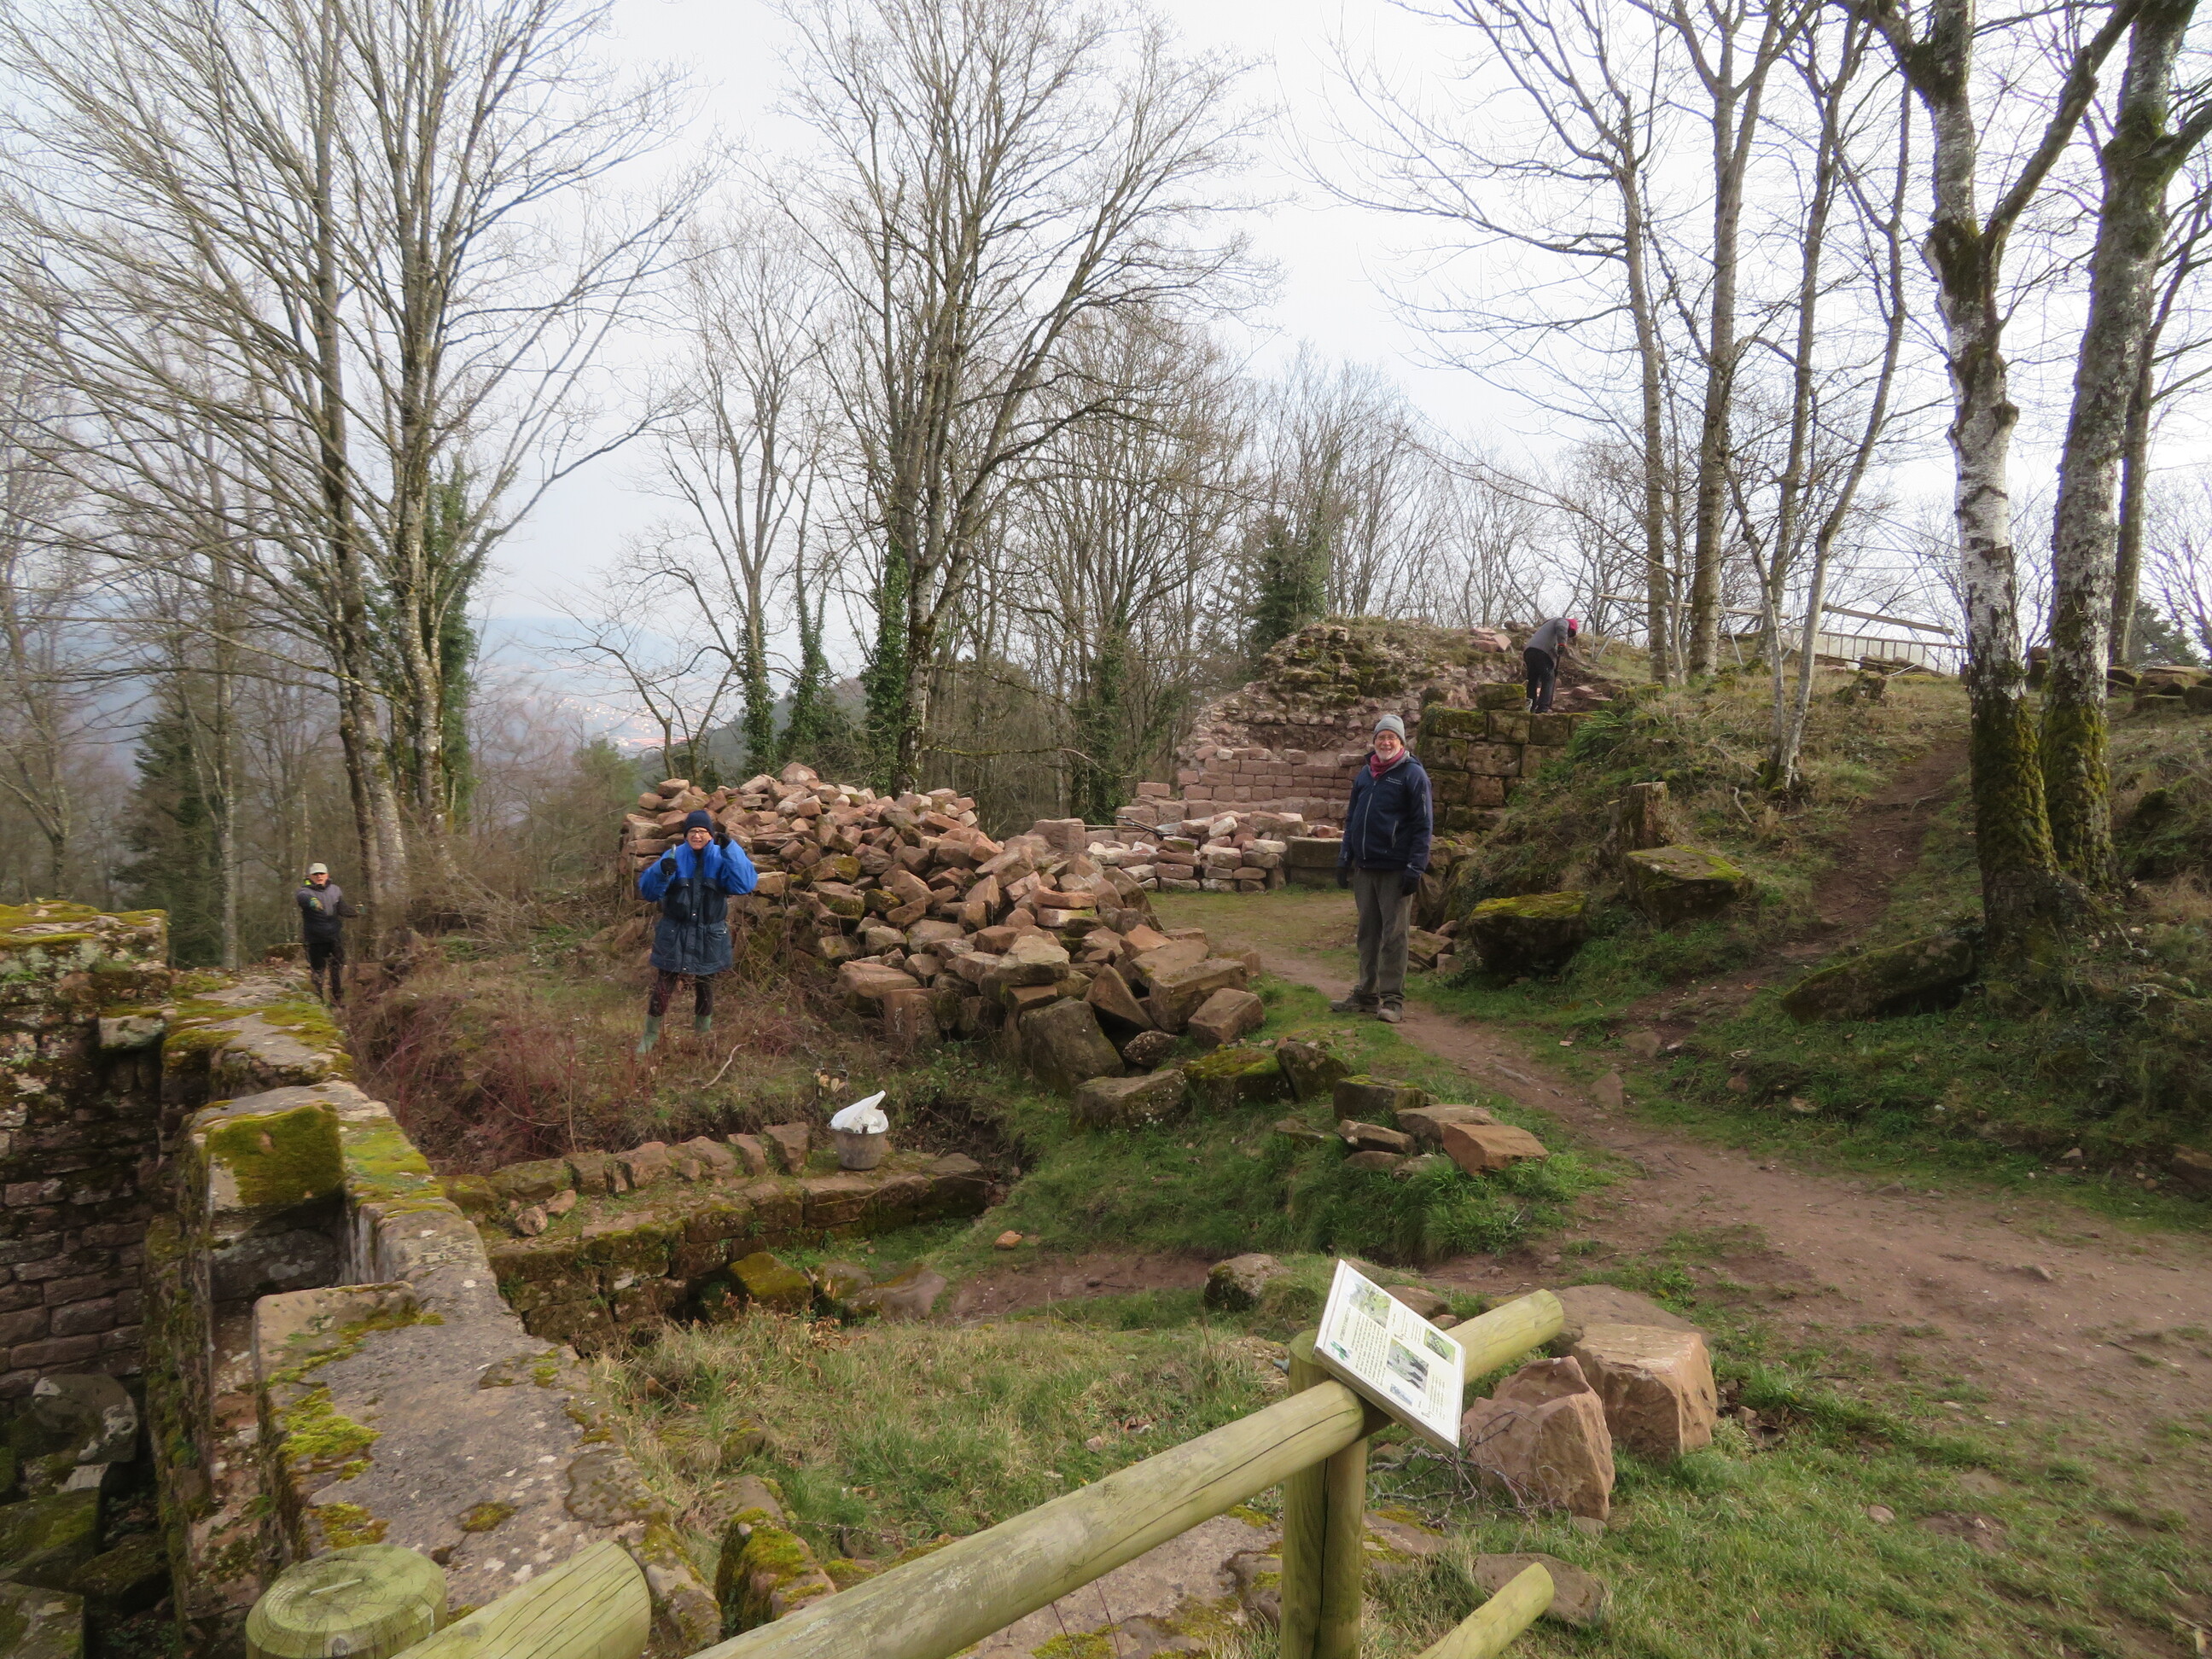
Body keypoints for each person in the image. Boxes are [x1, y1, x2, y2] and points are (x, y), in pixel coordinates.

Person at [1332, 713, 1432, 1024]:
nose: (1386, 742)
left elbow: (1423, 825)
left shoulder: (1413, 775)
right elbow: (1353, 819)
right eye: (1381, 737)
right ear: (1374, 741)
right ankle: (1366, 994)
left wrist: (1415, 868)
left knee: (1394, 936)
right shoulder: (1365, 774)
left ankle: (1392, 1000)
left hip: (1395, 869)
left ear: (1401, 741)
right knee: (1367, 934)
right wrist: (1344, 858)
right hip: (1365, 867)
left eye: (1391, 737)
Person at [635, 808, 758, 1055]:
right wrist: (662, 871)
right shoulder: (674, 855)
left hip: (710, 932)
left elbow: (744, 884)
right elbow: (649, 892)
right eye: (692, 831)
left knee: (705, 985)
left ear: (711, 835)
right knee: (664, 984)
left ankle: (702, 1037)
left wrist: (731, 849)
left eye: (702, 831)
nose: (697, 836)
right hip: (674, 931)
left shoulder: (722, 857)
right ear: (686, 835)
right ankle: (650, 1037)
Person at [295, 862, 358, 1004]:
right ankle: (318, 1002)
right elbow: (302, 898)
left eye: (322, 874)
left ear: (327, 875)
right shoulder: (304, 891)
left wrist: (355, 912)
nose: (319, 876)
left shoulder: (335, 890)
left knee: (337, 968)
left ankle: (337, 1000)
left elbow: (342, 909)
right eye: (316, 874)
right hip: (315, 939)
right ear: (309, 877)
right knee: (318, 971)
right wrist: (312, 901)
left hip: (334, 937)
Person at [1524, 617, 1579, 713]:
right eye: (1569, 632)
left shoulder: (1548, 629)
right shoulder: (1563, 621)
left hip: (1529, 651)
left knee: (1533, 680)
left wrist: (1554, 664)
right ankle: (1543, 708)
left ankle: (1530, 707)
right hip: (1541, 652)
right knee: (1549, 678)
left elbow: (1552, 650)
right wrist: (1562, 644)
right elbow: (1561, 627)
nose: (1568, 635)